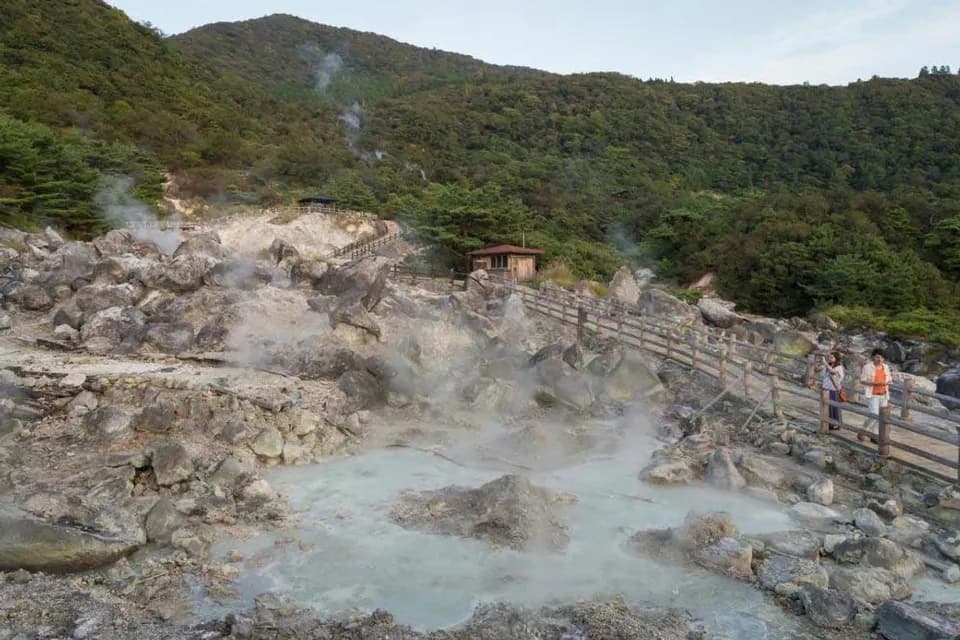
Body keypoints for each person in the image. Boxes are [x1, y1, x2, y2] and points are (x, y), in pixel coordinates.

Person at [859, 348, 893, 442]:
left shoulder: (885, 367)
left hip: (884, 394)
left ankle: (874, 436)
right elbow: (862, 380)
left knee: (882, 417)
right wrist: (875, 383)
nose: (880, 359)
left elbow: (889, 378)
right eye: (878, 357)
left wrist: (889, 382)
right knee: (874, 414)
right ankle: (863, 431)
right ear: (873, 357)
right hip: (872, 394)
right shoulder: (867, 367)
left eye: (882, 358)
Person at [819, 351, 845, 430]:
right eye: (829, 357)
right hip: (826, 389)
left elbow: (832, 372)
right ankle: (829, 423)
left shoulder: (839, 367)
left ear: (836, 358)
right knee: (827, 407)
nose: (830, 359)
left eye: (832, 357)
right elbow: (818, 371)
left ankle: (836, 424)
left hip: (833, 390)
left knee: (834, 407)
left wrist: (825, 363)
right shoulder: (829, 366)